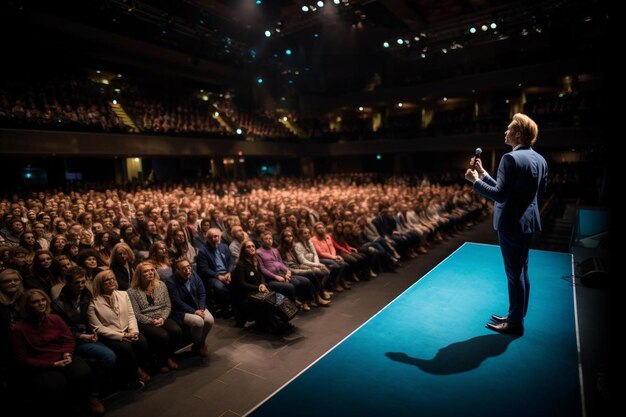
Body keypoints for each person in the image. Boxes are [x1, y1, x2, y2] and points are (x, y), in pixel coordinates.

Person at [465, 113, 548, 335]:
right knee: (522, 272)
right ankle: (517, 314)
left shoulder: (509, 159)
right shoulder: (540, 159)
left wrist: (475, 182)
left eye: (509, 128)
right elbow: (524, 193)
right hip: (527, 222)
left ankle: (514, 323)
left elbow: (501, 196)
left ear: (518, 133)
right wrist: (483, 174)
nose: (505, 132)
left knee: (514, 274)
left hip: (511, 224)